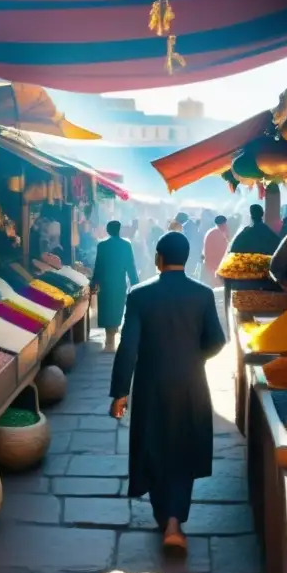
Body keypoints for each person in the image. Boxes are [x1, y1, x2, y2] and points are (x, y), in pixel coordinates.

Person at [109, 232, 226, 550]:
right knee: (183, 447)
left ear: (158, 257)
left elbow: (128, 346)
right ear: (187, 258)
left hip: (151, 385)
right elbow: (217, 340)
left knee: (156, 445)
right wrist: (192, 357)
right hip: (190, 384)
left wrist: (120, 392)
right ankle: (174, 520)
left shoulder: (140, 295)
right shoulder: (202, 295)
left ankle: (167, 519)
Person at [92, 221, 140, 352]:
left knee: (107, 309)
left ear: (108, 230)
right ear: (120, 230)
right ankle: (111, 337)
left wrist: (93, 283)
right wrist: (136, 284)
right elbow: (131, 267)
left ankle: (109, 338)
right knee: (117, 308)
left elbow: (98, 266)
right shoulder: (126, 245)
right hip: (119, 283)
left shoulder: (102, 246)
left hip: (105, 283)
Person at [201, 215, 229, 287]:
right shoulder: (218, 234)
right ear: (224, 224)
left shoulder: (211, 231)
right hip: (214, 268)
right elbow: (223, 252)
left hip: (209, 266)